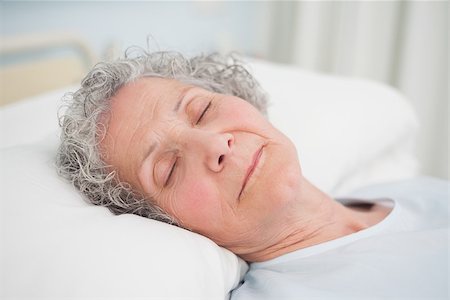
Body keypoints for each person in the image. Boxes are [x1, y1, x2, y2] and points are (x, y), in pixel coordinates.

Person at [56, 50, 448, 299]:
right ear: (166, 223)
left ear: (242, 98)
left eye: (202, 111)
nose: (215, 146)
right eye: (169, 168)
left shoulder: (400, 190)